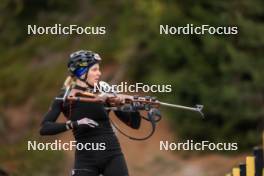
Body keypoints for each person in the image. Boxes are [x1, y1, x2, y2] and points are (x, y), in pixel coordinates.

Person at [39, 50, 141, 176]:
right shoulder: (66, 97)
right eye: (94, 69)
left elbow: (134, 124)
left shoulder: (104, 92)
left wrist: (135, 107)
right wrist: (74, 124)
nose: (99, 73)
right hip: (86, 160)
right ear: (81, 73)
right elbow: (44, 128)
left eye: (99, 69)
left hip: (112, 155)